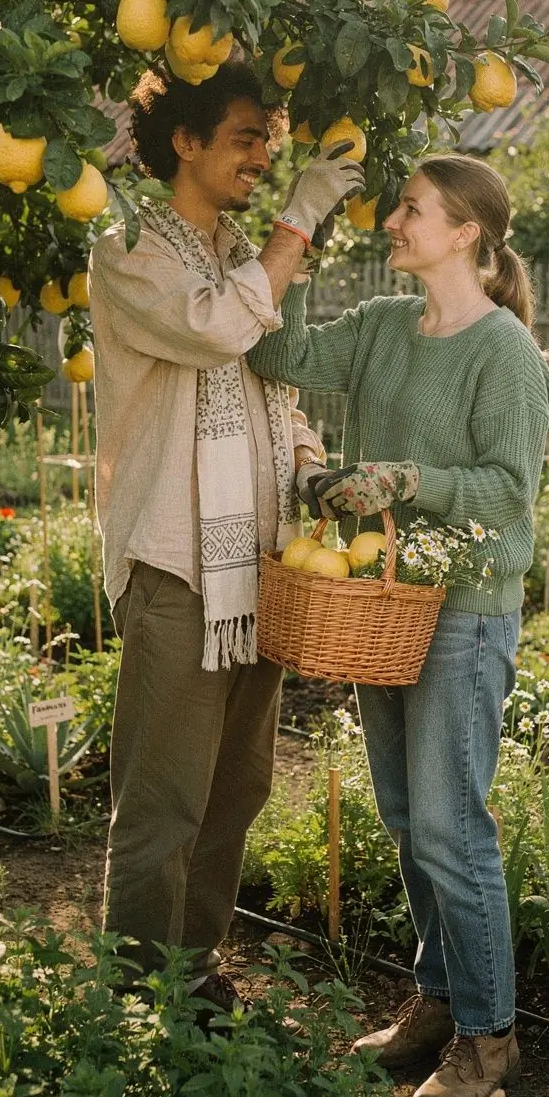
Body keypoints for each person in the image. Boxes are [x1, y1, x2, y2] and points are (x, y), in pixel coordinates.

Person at [248, 153, 549, 1097]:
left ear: (465, 232)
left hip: (464, 614)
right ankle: (438, 1000)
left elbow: (510, 493)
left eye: (411, 209)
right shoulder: (384, 325)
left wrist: (413, 480)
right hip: (384, 608)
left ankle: (489, 1036)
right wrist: (299, 246)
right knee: (406, 818)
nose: (393, 220)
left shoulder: (504, 352)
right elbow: (280, 356)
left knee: (452, 827)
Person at [89, 60, 363, 1007]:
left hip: (256, 567)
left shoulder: (242, 256)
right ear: (186, 141)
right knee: (163, 798)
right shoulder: (132, 251)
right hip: (176, 565)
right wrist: (299, 223)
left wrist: (309, 463)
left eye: (269, 139)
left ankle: (192, 969)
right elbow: (215, 331)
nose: (263, 155)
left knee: (236, 788)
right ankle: (136, 998)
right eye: (247, 137)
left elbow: (270, 387)